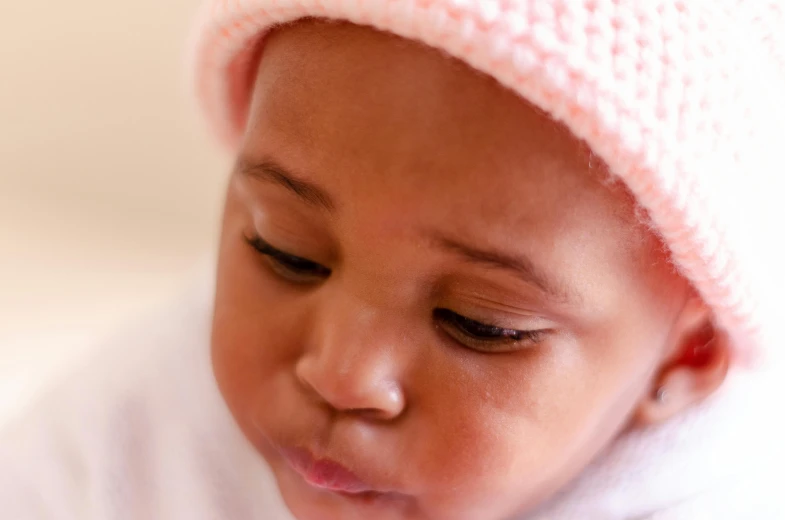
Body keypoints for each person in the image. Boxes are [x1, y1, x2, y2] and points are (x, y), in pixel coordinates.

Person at [2, 1, 784, 518]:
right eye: (287, 253)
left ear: (684, 355)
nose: (340, 375)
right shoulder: (143, 417)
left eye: (478, 324)